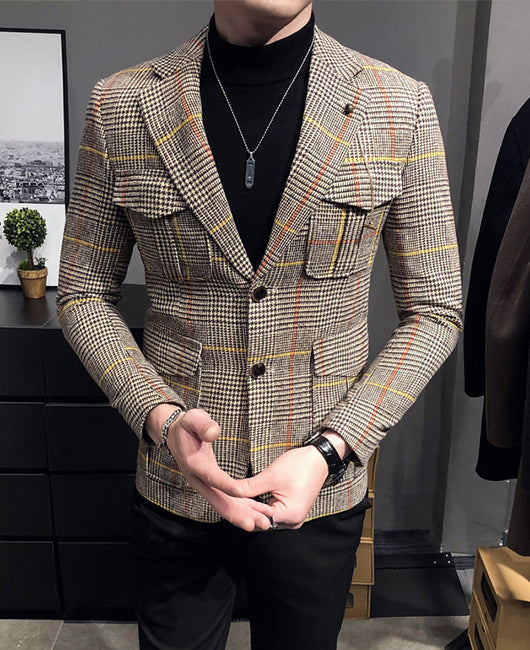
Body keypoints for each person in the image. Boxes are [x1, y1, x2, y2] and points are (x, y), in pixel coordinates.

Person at [56, 1, 463, 648]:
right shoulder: (123, 104)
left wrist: (333, 448)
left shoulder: (398, 105)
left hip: (320, 485)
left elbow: (436, 309)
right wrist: (159, 417)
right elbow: (82, 291)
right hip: (176, 485)